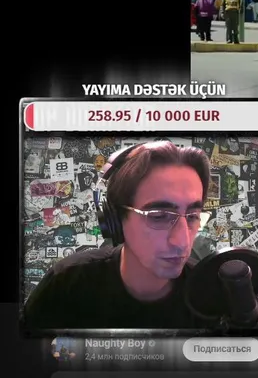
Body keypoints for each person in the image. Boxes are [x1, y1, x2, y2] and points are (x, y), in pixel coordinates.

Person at [21, 141, 213, 330]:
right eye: (159, 216)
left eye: (192, 216)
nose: (182, 242)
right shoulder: (65, 284)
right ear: (116, 218)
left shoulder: (213, 294)